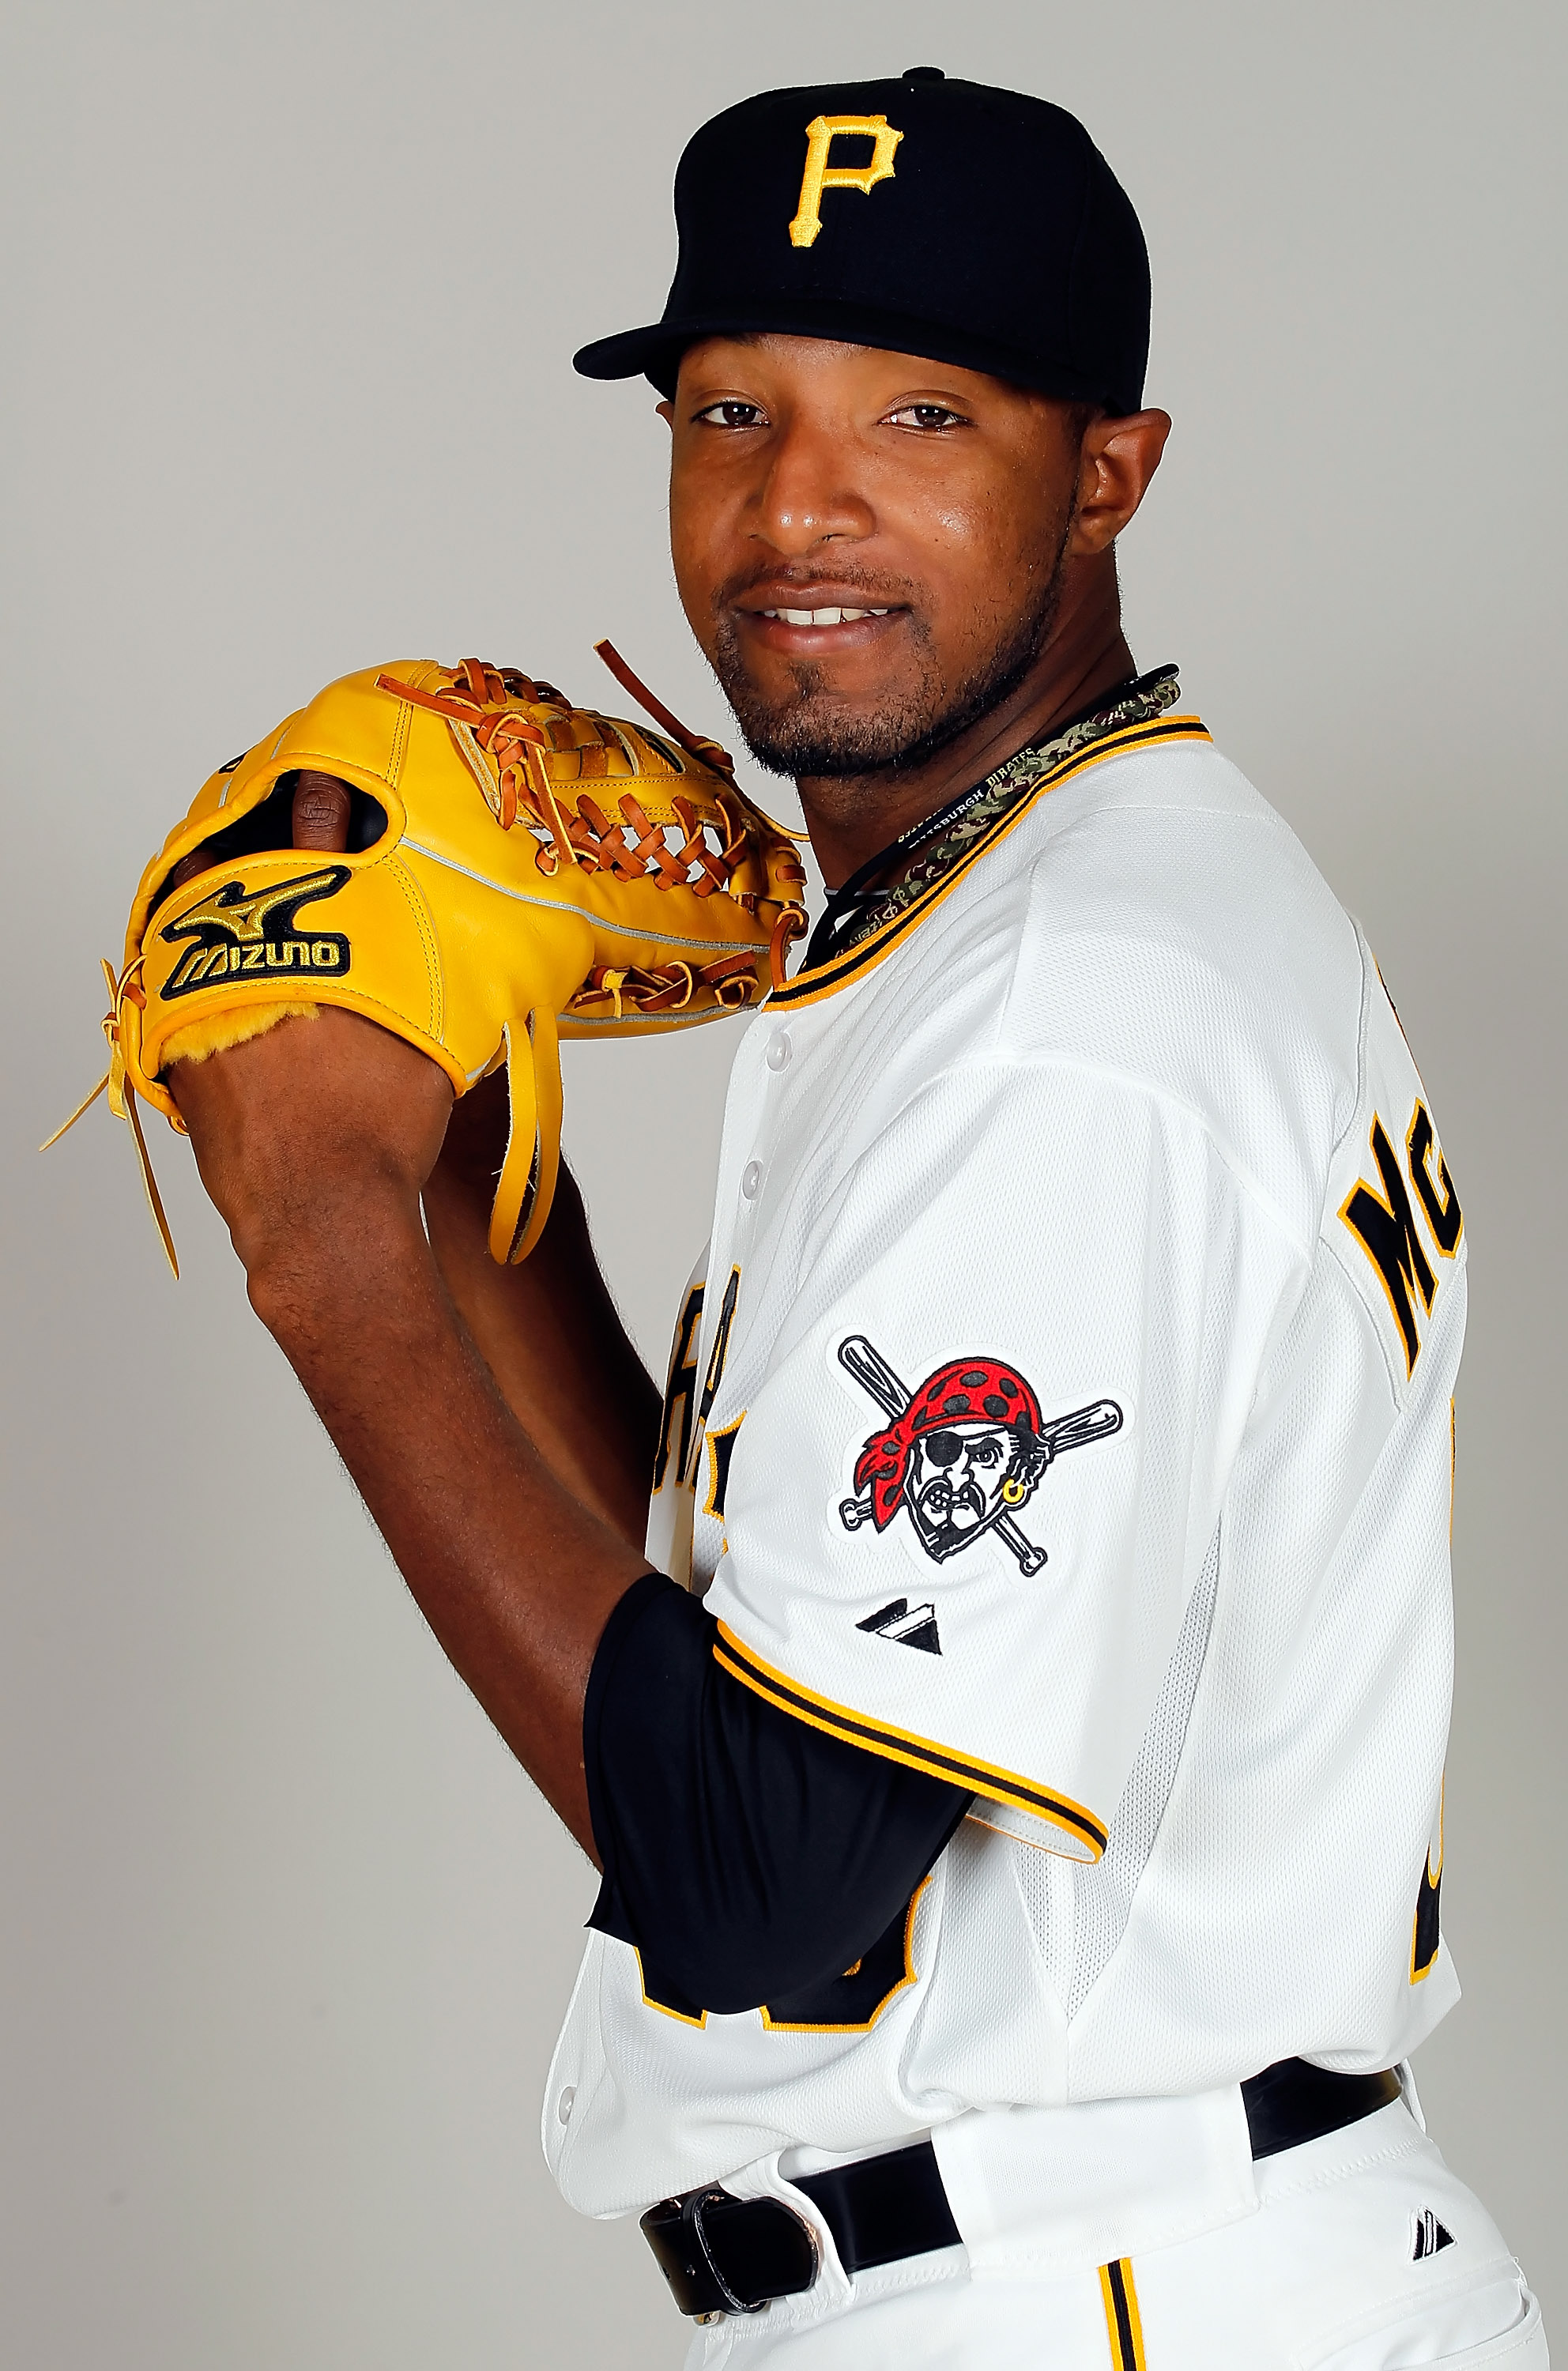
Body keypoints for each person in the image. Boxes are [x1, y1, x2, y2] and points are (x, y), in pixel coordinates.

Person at [168, 69, 1546, 2369]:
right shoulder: (1037, 909)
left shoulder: (1065, 1018)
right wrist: (481, 1195)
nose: (794, 506)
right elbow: (760, 1636)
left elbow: (767, 1880)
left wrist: (322, 1249)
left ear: (1109, 465)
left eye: (919, 411)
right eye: (728, 411)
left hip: (1098, 2291)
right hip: (1133, 2266)